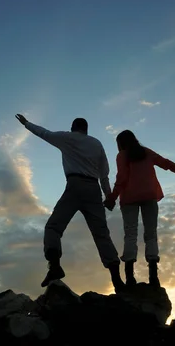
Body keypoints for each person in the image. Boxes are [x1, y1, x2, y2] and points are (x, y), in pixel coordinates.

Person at [15, 114, 125, 291]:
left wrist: (26, 123)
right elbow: (104, 175)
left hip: (74, 186)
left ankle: (55, 267)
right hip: (93, 189)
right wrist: (109, 196)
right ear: (86, 129)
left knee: (53, 228)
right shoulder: (96, 144)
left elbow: (44, 133)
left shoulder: (66, 138)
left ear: (73, 128)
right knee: (101, 234)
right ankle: (117, 279)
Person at [104, 130, 175, 287]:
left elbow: (121, 177)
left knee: (130, 234)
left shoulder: (122, 155)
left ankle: (130, 277)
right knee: (151, 234)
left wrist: (111, 198)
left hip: (129, 198)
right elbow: (167, 164)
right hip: (149, 196)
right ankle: (153, 276)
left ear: (121, 143)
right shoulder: (146, 152)